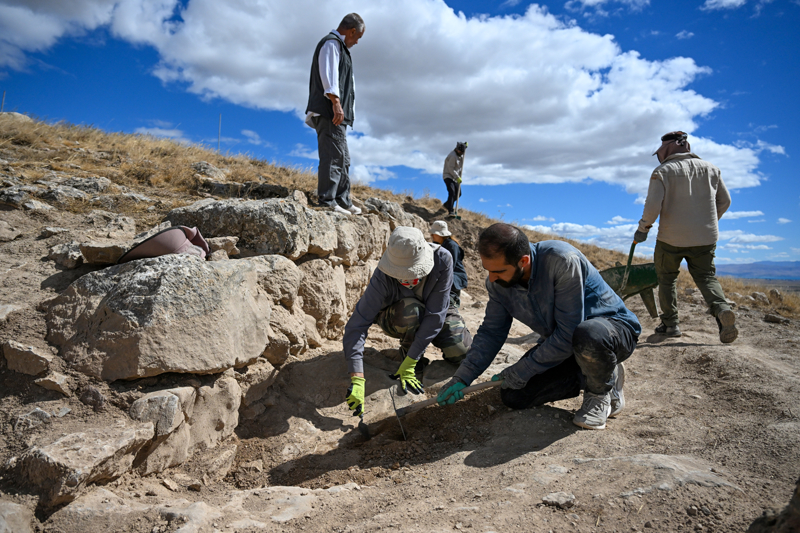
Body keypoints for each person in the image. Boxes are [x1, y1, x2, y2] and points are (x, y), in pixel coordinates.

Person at [437, 223, 642, 430]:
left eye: (498, 271)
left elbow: (569, 331)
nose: (491, 278)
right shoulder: (497, 283)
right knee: (514, 395)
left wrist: (523, 369)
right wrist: (463, 377)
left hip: (610, 333)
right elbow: (492, 332)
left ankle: (600, 392)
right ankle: (599, 369)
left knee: (589, 335)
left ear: (523, 261)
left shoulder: (562, 261)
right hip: (566, 345)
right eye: (488, 270)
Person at [344, 226, 473, 417]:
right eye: (401, 274)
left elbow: (436, 315)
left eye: (414, 272)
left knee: (463, 353)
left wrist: (411, 361)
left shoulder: (442, 258)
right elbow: (357, 325)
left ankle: (412, 358)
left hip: (436, 308)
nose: (408, 280)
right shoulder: (382, 275)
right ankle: (409, 355)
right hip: (401, 315)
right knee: (412, 311)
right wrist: (357, 378)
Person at [633, 131, 737, 344]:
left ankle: (670, 325)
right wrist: (708, 222)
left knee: (667, 279)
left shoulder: (662, 171)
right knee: (706, 277)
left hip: (670, 238)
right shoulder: (711, 169)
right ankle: (722, 309)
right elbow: (725, 201)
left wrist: (643, 229)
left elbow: (653, 206)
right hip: (705, 237)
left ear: (667, 149)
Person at [305, 13, 365, 217]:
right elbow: (329, 76)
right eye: (357, 37)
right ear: (352, 31)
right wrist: (336, 103)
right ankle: (327, 200)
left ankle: (342, 199)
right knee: (332, 156)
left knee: (343, 158)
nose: (356, 42)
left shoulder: (340, 47)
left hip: (337, 114)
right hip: (330, 111)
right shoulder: (331, 44)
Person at [430, 220, 468, 308]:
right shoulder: (438, 244)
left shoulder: (452, 245)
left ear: (440, 235)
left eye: (433, 233)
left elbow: (450, 266)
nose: (431, 235)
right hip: (446, 277)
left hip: (454, 280)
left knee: (450, 306)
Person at [442, 142, 467, 216]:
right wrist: (457, 177)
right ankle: (450, 211)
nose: (462, 153)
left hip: (455, 178)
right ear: (457, 149)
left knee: (458, 194)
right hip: (448, 176)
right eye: (460, 151)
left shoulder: (460, 155)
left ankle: (447, 204)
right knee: (452, 192)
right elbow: (451, 169)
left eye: (462, 152)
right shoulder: (453, 156)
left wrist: (465, 146)